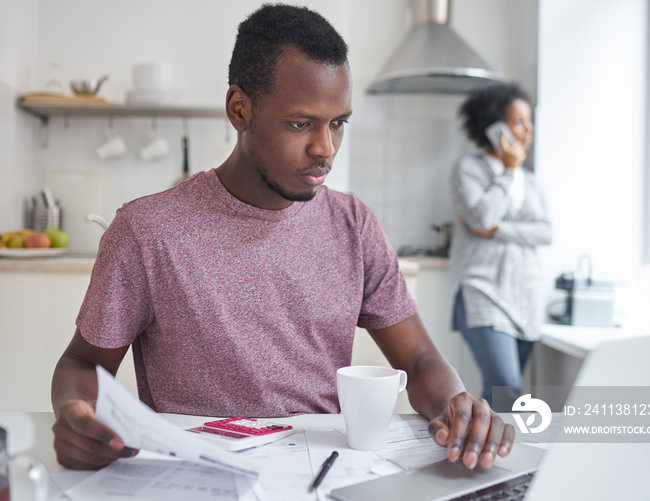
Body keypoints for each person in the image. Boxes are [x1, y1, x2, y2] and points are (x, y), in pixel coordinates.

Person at [51, 4, 515, 472]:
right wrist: (77, 414)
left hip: (324, 473)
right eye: (301, 123)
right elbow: (82, 362)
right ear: (240, 109)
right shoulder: (147, 231)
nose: (325, 149)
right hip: (197, 476)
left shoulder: (354, 225)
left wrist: (456, 406)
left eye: (338, 123)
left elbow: (418, 360)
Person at [448, 82, 553, 411]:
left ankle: (484, 457)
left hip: (526, 297)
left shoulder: (532, 180)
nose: (528, 130)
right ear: (495, 128)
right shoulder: (469, 170)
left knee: (499, 395)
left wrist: (498, 230)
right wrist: (507, 171)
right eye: (519, 122)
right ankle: (508, 459)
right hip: (485, 292)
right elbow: (481, 217)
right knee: (509, 391)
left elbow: (546, 232)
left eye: (529, 121)